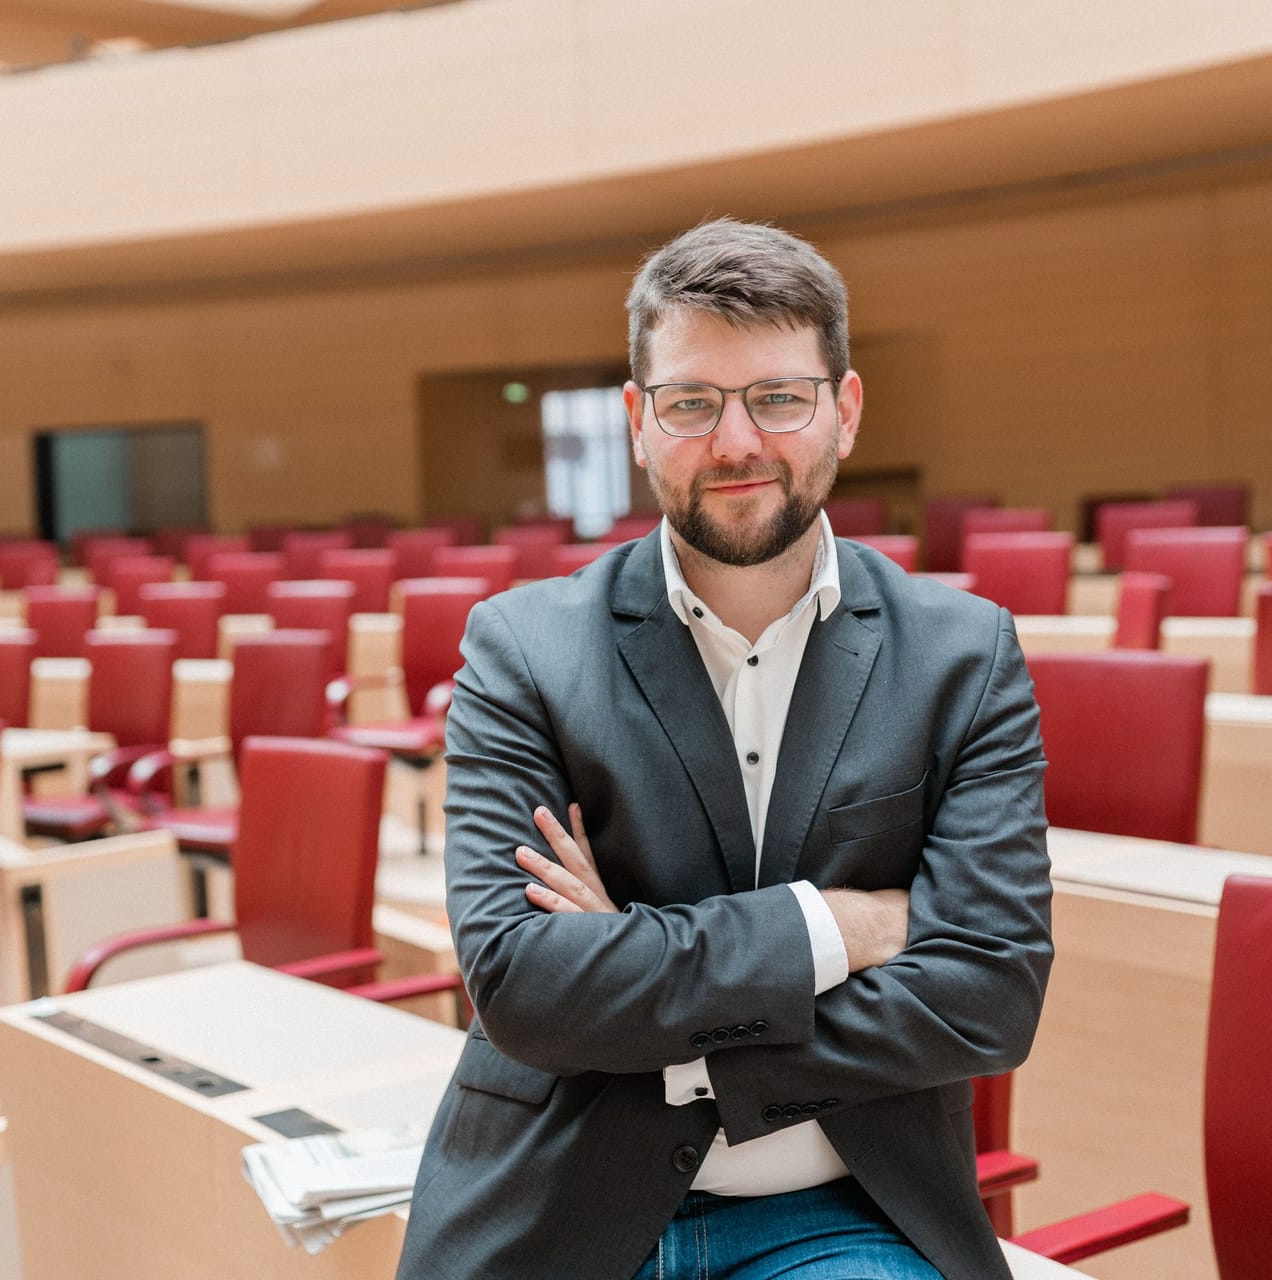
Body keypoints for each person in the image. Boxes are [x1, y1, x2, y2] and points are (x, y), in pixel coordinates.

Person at [396, 218, 1052, 1280]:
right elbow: (523, 981)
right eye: (692, 401)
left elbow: (987, 989)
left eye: (778, 396)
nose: (737, 441)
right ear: (638, 422)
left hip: (840, 1210)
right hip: (556, 1202)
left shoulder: (962, 654)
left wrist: (645, 988)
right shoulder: (521, 646)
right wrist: (842, 923)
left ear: (844, 409)